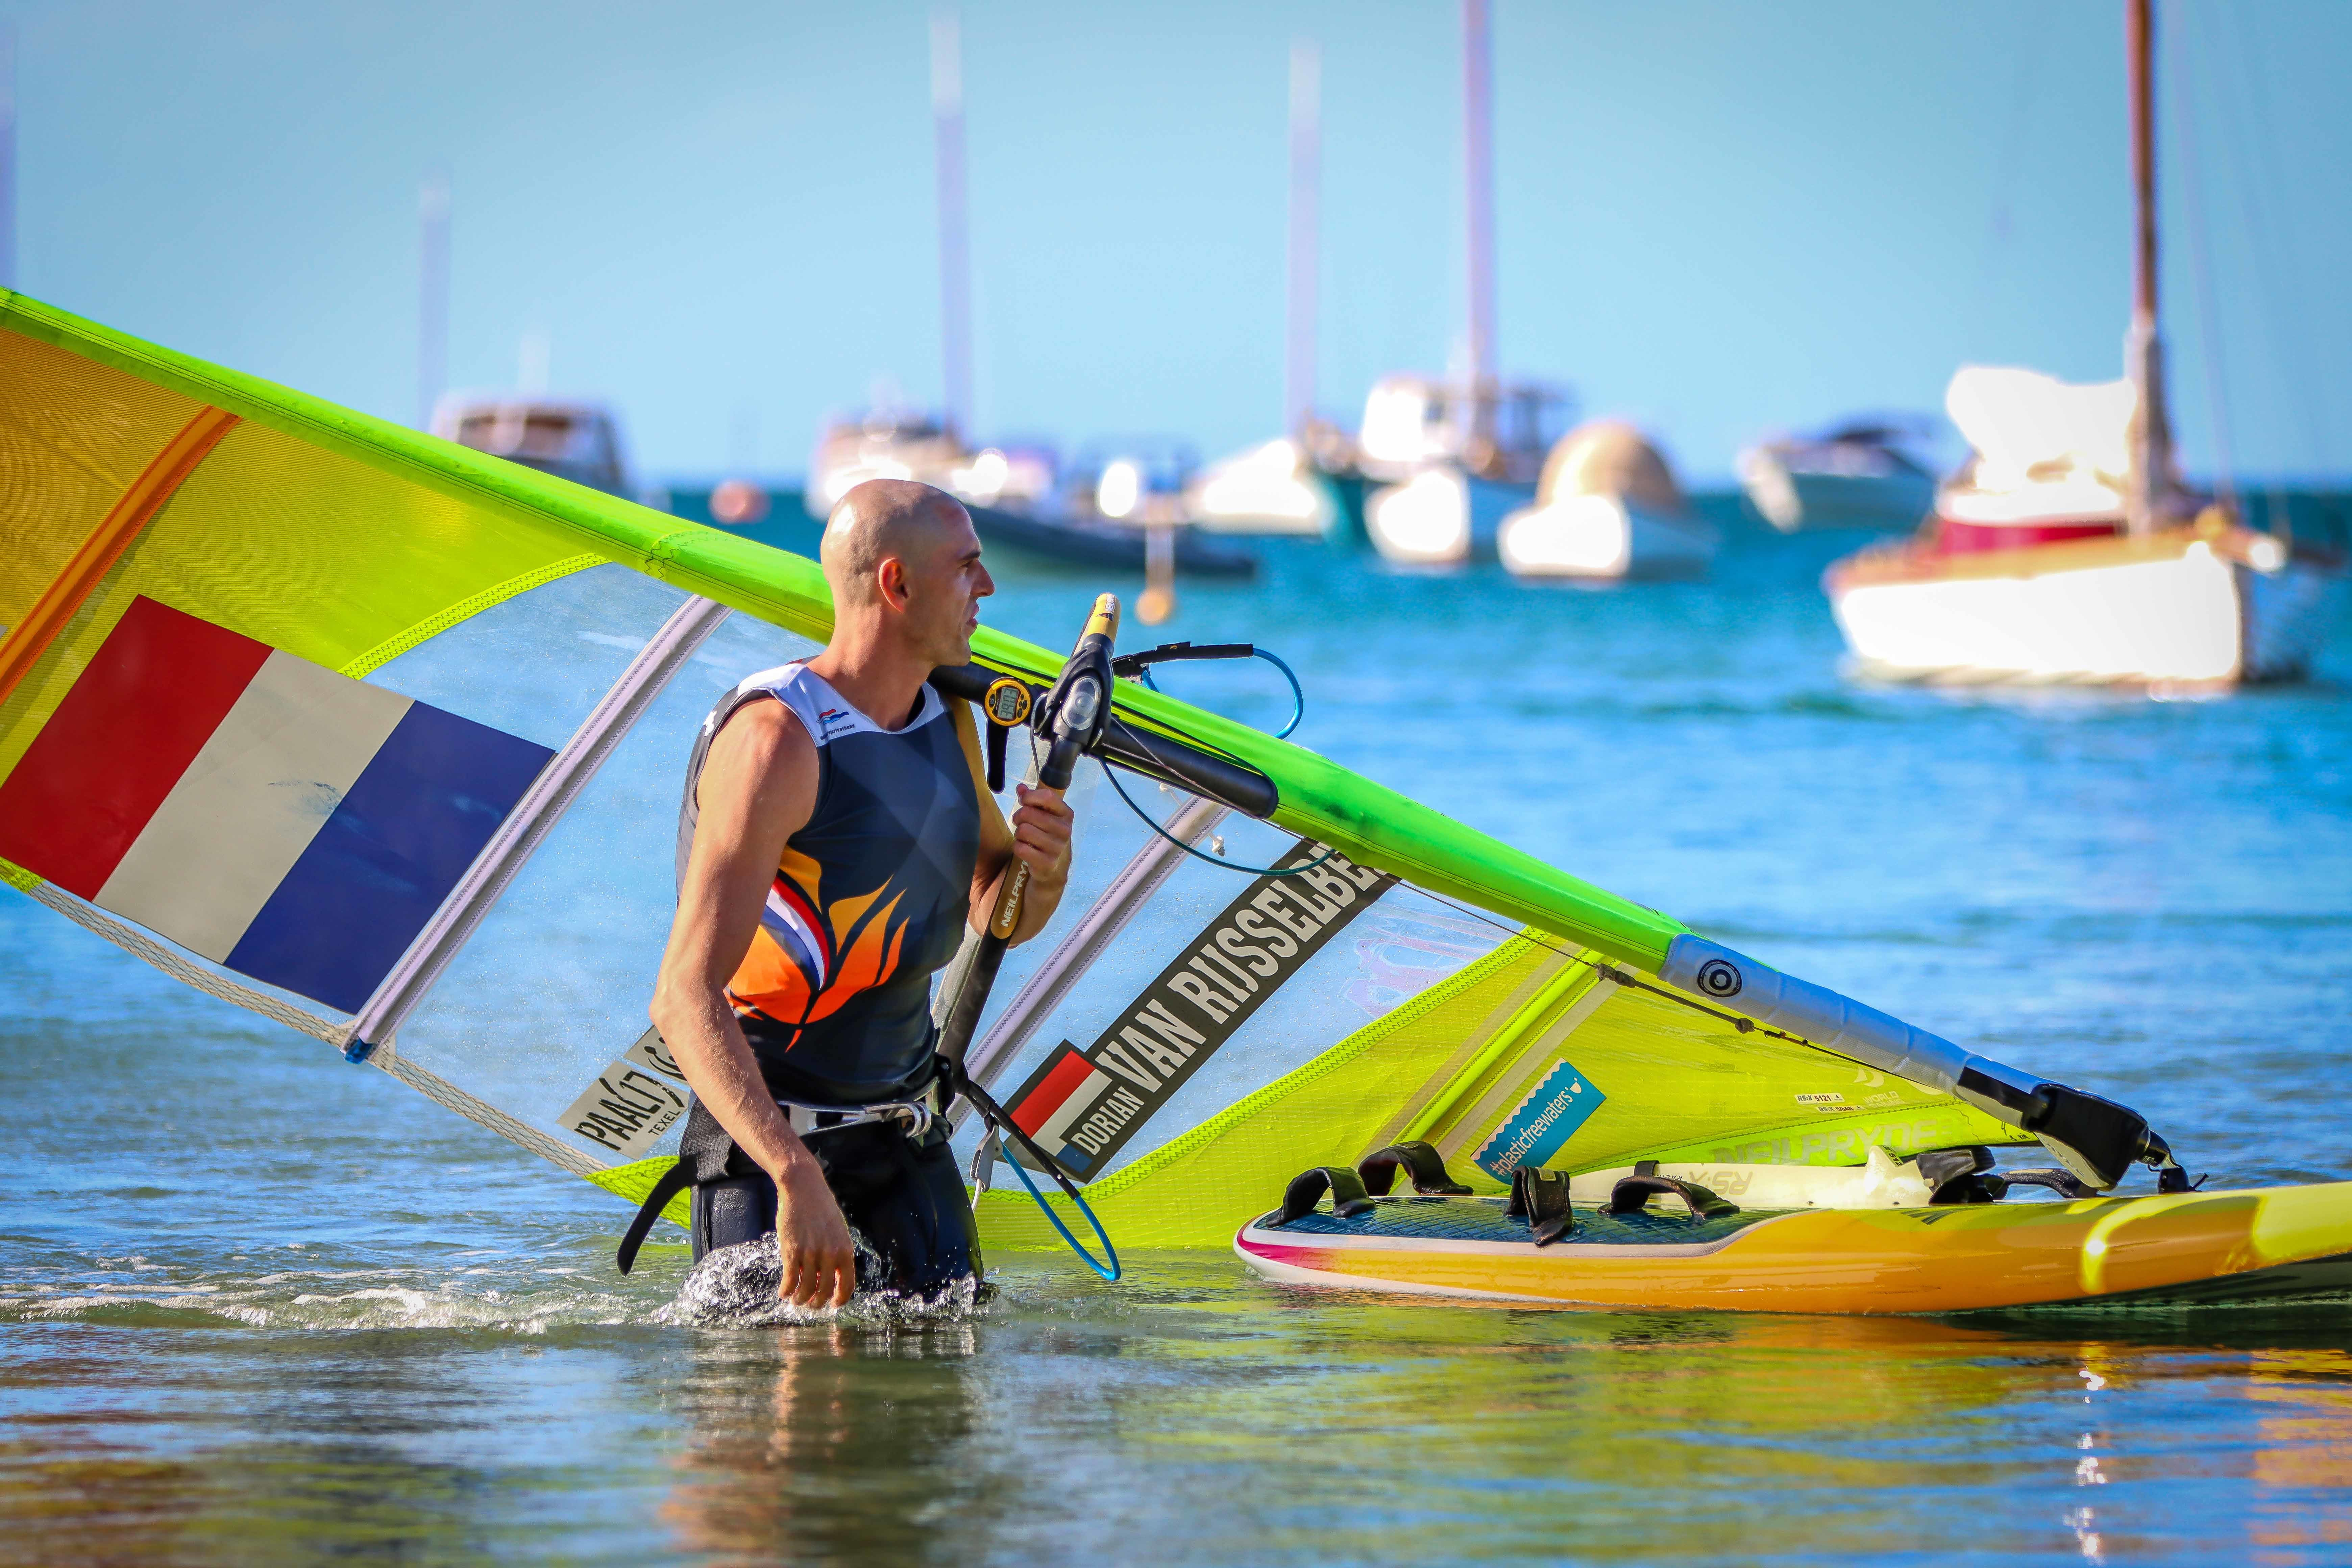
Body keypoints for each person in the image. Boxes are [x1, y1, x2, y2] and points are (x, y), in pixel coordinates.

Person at [648, 478, 1075, 1308]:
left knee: (940, 1413)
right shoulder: (779, 742)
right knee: (763, 1424)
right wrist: (791, 1173)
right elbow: (681, 996)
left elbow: (998, 909)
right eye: (968, 567)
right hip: (772, 1147)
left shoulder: (944, 718)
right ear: (897, 584)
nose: (987, 587)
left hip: (905, 1137)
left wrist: (1044, 867)